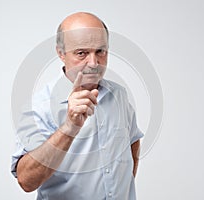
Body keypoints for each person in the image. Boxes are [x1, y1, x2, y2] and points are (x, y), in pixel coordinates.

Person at [11, 12, 144, 200]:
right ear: (61, 53)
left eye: (100, 51)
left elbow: (132, 141)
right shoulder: (39, 107)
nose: (93, 63)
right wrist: (69, 128)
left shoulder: (119, 95)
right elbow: (26, 180)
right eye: (82, 53)